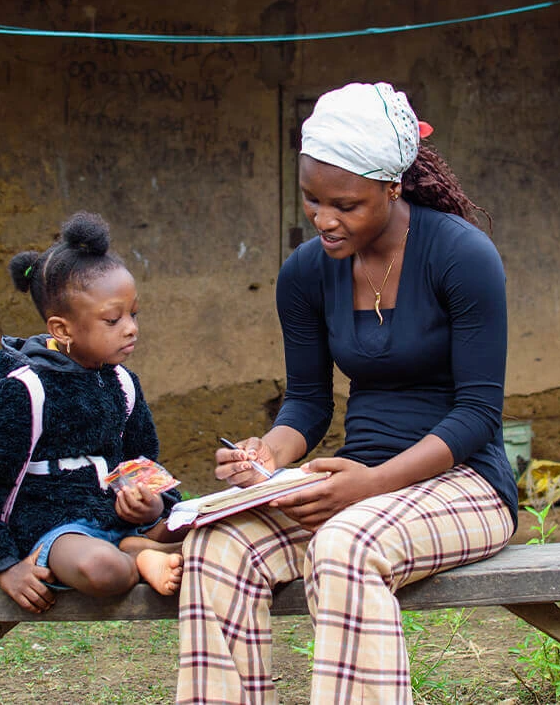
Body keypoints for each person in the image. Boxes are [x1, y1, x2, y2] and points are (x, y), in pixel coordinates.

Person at [176, 82, 519, 704]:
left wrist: (370, 484)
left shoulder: (461, 256)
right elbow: (308, 402)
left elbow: (478, 413)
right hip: (358, 487)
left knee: (345, 543)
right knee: (215, 544)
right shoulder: (306, 273)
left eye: (346, 204)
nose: (324, 219)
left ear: (393, 187)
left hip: (465, 483)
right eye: (312, 199)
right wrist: (270, 456)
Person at [0, 211, 186, 614]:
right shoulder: (25, 391)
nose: (130, 328)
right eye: (113, 319)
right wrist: (3, 566)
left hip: (115, 518)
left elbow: (141, 462)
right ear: (62, 330)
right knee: (103, 570)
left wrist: (153, 504)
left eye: (134, 314)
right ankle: (138, 557)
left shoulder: (123, 384)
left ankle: (136, 545)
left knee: (204, 526)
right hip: (54, 530)